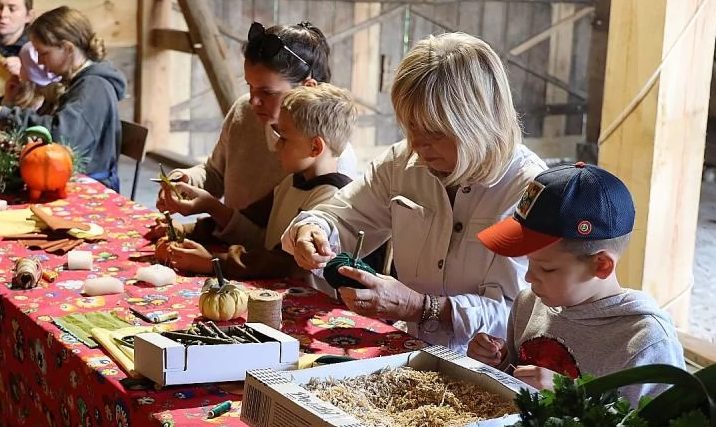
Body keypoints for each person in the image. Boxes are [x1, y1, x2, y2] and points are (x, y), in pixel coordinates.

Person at [281, 32, 546, 353]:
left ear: (477, 124)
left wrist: (419, 306)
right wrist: (313, 230)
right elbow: (342, 218)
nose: (418, 146)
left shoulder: (530, 190)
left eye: (433, 133)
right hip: (409, 352)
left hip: (486, 370)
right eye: (410, 129)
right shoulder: (402, 162)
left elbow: (518, 318)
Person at [467, 162, 685, 405]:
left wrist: (570, 395)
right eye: (529, 262)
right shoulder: (529, 303)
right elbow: (517, 383)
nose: (529, 277)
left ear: (600, 265)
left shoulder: (647, 343)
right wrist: (499, 361)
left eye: (547, 268)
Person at [157, 83, 357, 281]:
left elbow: (279, 262)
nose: (277, 145)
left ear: (315, 147)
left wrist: (212, 262)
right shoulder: (290, 183)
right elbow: (248, 218)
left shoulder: (331, 199)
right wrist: (186, 231)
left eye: (284, 137)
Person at [156, 21, 360, 213]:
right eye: (250, 86)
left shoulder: (329, 159)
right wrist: (185, 180)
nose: (253, 101)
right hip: (225, 243)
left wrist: (215, 212)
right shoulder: (243, 110)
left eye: (267, 92)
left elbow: (289, 244)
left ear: (307, 88)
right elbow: (215, 174)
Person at [0, 6, 127, 192]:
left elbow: (60, 137)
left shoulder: (93, 87)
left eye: (44, 53)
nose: (40, 61)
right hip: (71, 179)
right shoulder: (77, 83)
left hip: (91, 189)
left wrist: (7, 115)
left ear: (67, 48)